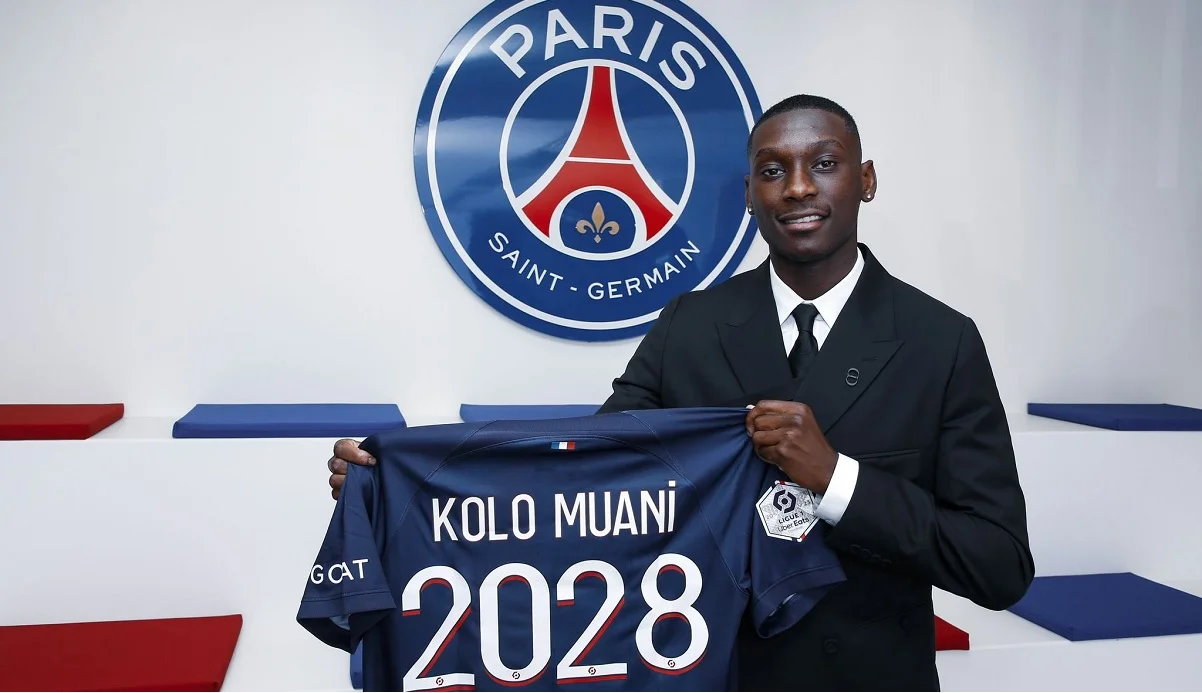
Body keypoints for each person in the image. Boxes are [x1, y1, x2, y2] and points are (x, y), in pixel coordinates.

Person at [326, 94, 1034, 691]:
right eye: (772, 171)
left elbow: (998, 564)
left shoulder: (941, 341)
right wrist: (405, 484)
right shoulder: (690, 324)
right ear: (749, 192)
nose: (797, 188)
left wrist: (837, 480)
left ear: (867, 180)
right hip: (711, 673)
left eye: (823, 163)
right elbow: (580, 479)